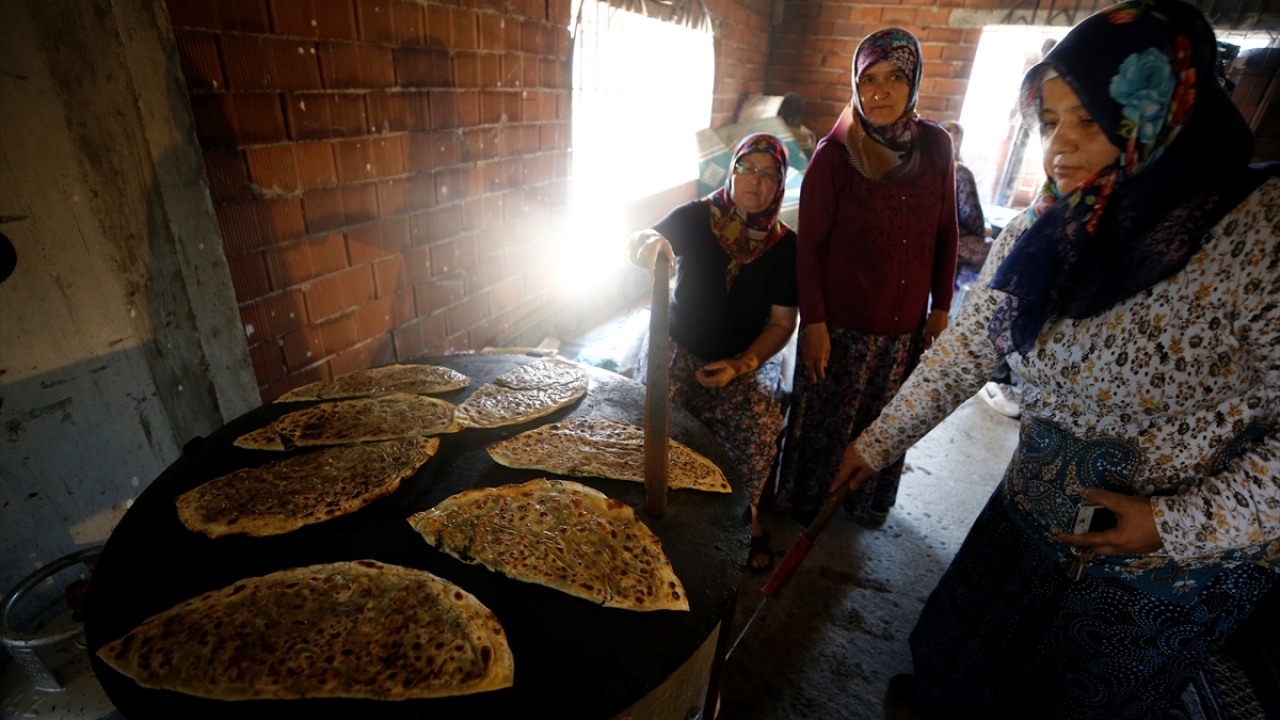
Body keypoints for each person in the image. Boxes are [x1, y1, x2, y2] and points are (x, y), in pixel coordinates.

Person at [831, 1, 1280, 715]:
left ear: (1161, 109)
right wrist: (878, 442)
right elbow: (969, 350)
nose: (1058, 147)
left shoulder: (1257, 236)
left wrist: (1177, 521)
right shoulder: (1047, 232)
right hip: (1028, 518)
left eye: (1089, 120)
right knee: (959, 664)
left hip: (1154, 566)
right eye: (1048, 122)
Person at [777, 28, 958, 528]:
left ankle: (862, 504)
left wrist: (940, 308)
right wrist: (812, 324)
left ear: (914, 81)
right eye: (869, 78)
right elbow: (808, 248)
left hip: (904, 334)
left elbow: (947, 234)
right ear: (856, 86)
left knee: (885, 423)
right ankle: (807, 506)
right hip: (840, 331)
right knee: (827, 426)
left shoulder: (937, 147)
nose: (880, 91)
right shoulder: (835, 156)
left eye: (895, 77)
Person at [626, 133, 799, 571]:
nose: (754, 182)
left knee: (759, 422)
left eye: (768, 174)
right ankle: (656, 499)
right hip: (680, 343)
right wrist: (646, 245)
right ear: (734, 168)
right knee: (655, 411)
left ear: (780, 184)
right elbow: (642, 239)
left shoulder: (784, 246)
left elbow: (781, 323)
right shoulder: (698, 217)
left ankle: (749, 516)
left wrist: (744, 364)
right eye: (748, 168)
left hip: (742, 356)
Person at [938, 120, 988, 301]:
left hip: (924, 235)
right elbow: (971, 215)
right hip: (949, 238)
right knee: (997, 253)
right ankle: (959, 299)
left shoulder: (922, 168)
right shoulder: (960, 172)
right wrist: (982, 229)